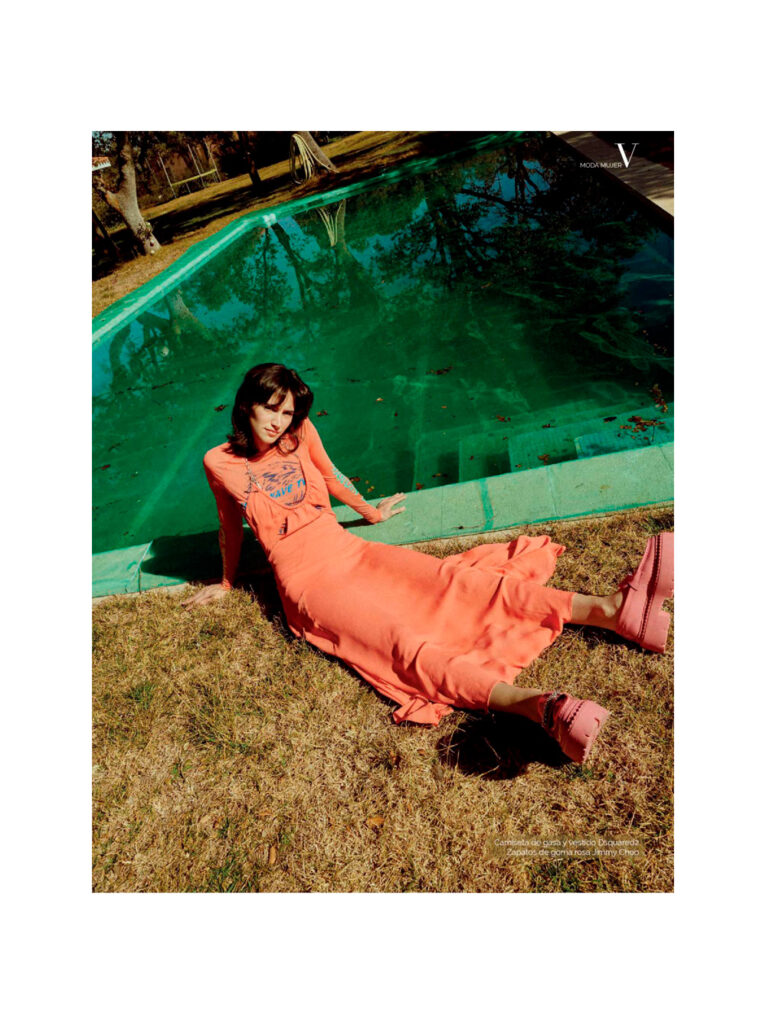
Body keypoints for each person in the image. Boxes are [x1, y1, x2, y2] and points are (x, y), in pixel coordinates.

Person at [183, 363, 674, 765]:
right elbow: (230, 526)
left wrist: (371, 513)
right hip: (308, 584)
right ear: (247, 404)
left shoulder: (300, 433)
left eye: (287, 412)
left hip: (350, 551)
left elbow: (330, 476)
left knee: (454, 580)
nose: (279, 421)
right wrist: (226, 583)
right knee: (401, 643)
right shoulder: (218, 462)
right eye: (271, 408)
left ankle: (613, 611)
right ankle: (538, 707)